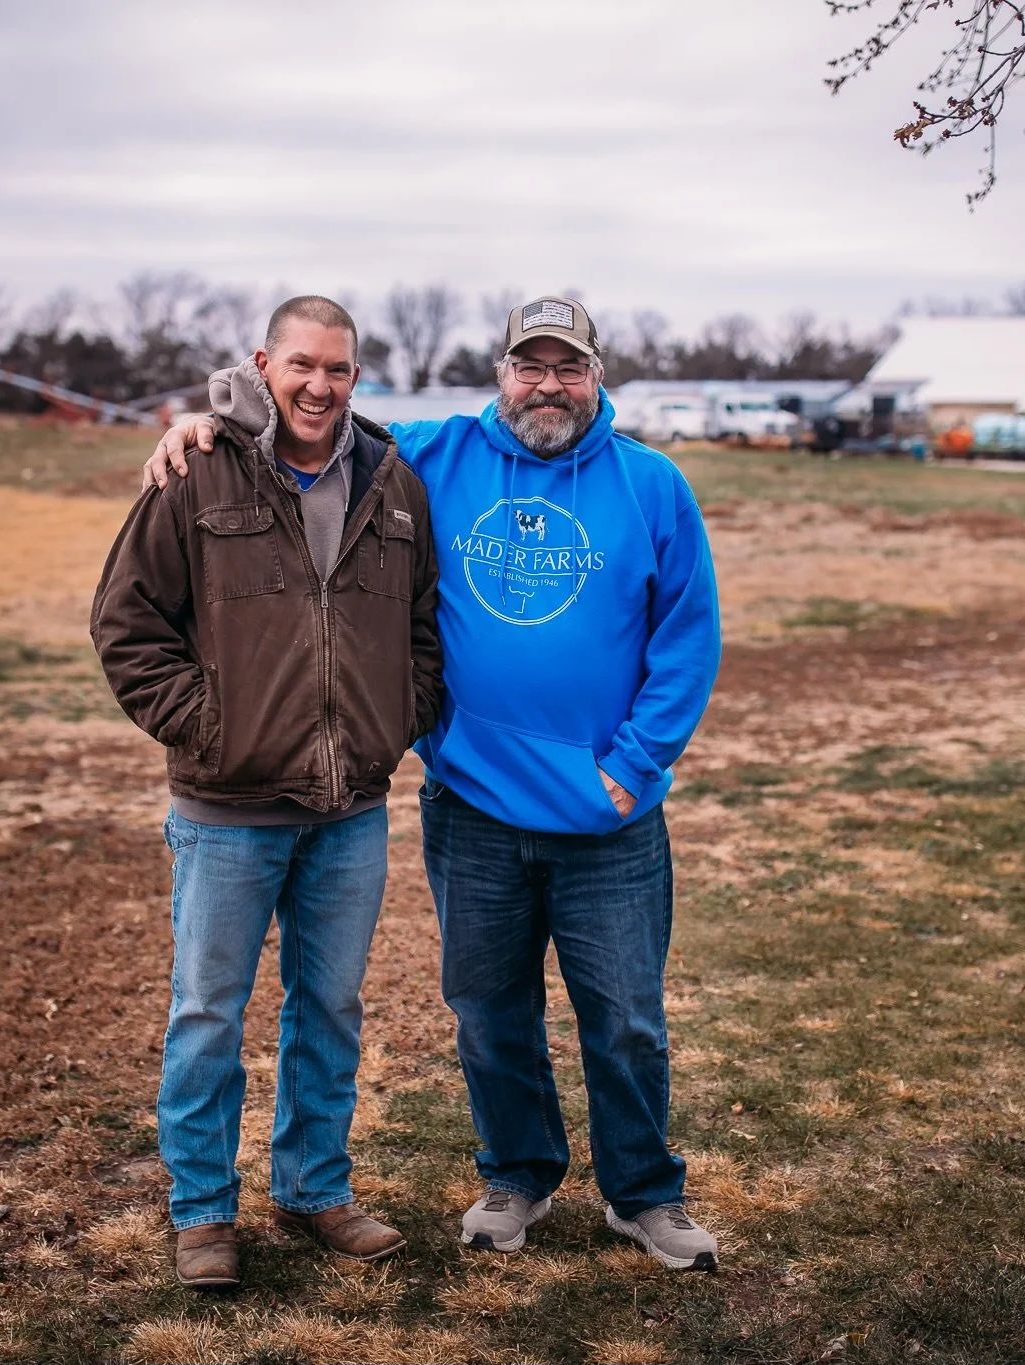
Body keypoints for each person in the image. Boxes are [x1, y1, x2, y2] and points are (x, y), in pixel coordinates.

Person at [143, 296, 725, 1271]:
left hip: (609, 816)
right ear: (498, 374)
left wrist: (632, 769)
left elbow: (685, 638)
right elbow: (309, 417)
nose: (547, 385)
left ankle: (643, 1194)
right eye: (527, 366)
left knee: (623, 1020)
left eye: (567, 366)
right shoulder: (428, 458)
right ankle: (517, 1177)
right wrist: (212, 419)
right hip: (475, 808)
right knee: (490, 1012)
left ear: (596, 376)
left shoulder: (652, 486)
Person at [91, 295, 442, 1289]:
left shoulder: (393, 484)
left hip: (350, 810)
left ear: (355, 377)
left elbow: (422, 631)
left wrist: (391, 718)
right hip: (227, 812)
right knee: (207, 1014)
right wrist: (209, 726)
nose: (318, 386)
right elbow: (126, 624)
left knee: (328, 1011)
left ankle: (313, 1188)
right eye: (300, 366)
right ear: (261, 363)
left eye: (336, 370)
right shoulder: (196, 473)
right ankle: (202, 1213)